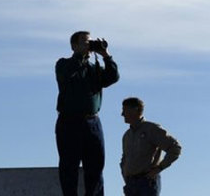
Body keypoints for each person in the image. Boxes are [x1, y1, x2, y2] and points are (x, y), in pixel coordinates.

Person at [55, 31, 119, 196]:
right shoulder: (63, 64)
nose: (88, 45)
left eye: (90, 42)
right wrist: (80, 56)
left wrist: (105, 55)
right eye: (84, 42)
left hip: (92, 123)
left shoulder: (93, 68)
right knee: (69, 167)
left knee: (96, 167)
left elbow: (112, 77)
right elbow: (68, 73)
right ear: (74, 46)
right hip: (69, 122)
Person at [120, 97, 181, 196]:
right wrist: (125, 175)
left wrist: (159, 168)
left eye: (124, 110)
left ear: (135, 110)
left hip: (147, 183)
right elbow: (124, 158)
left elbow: (175, 148)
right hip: (131, 185)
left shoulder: (151, 129)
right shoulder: (127, 135)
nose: (122, 114)